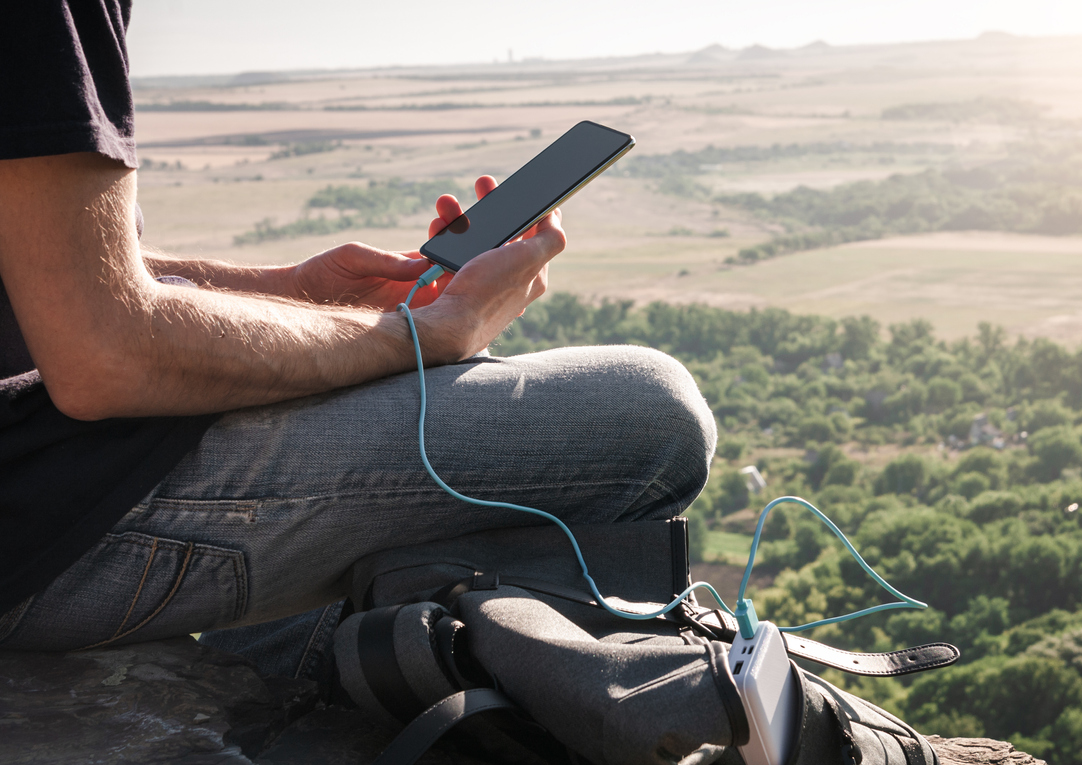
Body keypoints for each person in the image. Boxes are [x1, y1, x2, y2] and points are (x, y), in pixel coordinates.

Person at [0, 2, 715, 674]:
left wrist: (296, 295)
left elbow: (45, 265)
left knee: (408, 385)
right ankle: (292, 697)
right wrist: (427, 334)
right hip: (39, 517)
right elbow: (104, 359)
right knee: (654, 416)